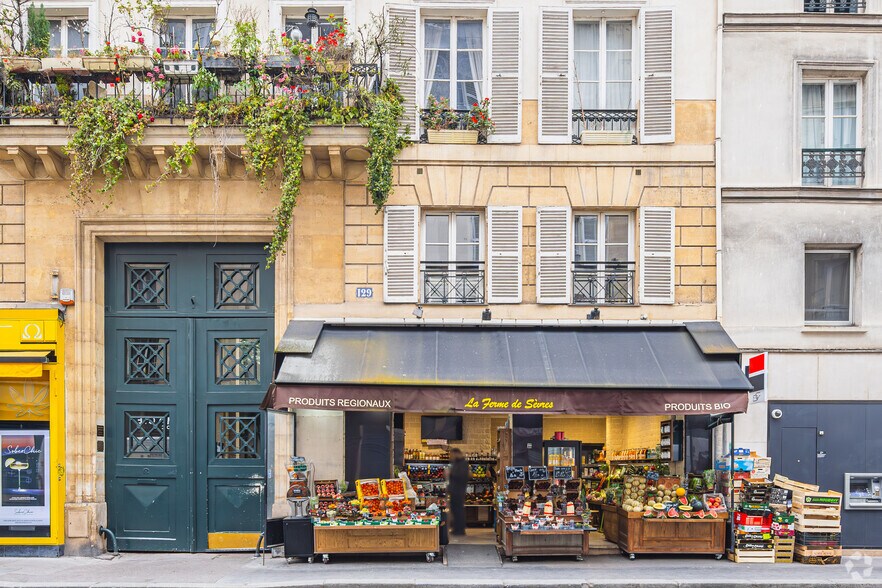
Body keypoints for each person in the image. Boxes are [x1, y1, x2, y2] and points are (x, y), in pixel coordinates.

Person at [447, 448, 468, 536]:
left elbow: (460, 475)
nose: (451, 457)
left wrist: (450, 473)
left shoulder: (463, 463)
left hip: (458, 491)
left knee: (458, 510)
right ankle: (456, 529)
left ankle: (460, 530)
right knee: (455, 510)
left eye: (452, 454)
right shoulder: (456, 463)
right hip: (454, 490)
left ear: (456, 454)